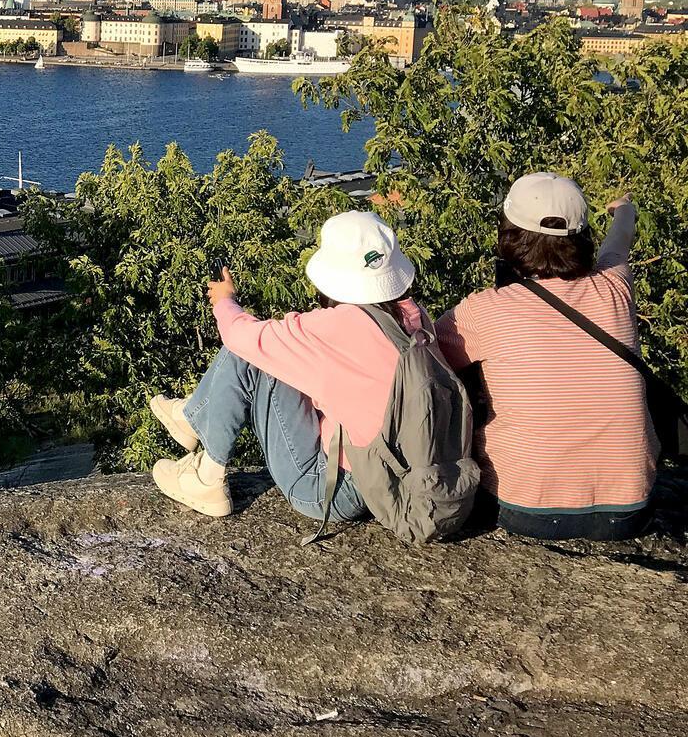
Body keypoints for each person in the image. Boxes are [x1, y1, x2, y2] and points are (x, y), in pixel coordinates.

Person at [148, 210, 422, 523]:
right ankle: (190, 418)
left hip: (330, 490)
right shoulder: (413, 317)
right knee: (278, 353)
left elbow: (243, 338)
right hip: (393, 476)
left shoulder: (342, 326)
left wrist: (224, 301)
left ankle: (207, 473)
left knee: (254, 353)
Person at [435, 175, 655, 541]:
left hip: (526, 508)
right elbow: (619, 242)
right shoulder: (616, 287)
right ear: (582, 237)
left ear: (509, 233)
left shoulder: (484, 309)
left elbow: (428, 356)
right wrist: (625, 210)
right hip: (630, 509)